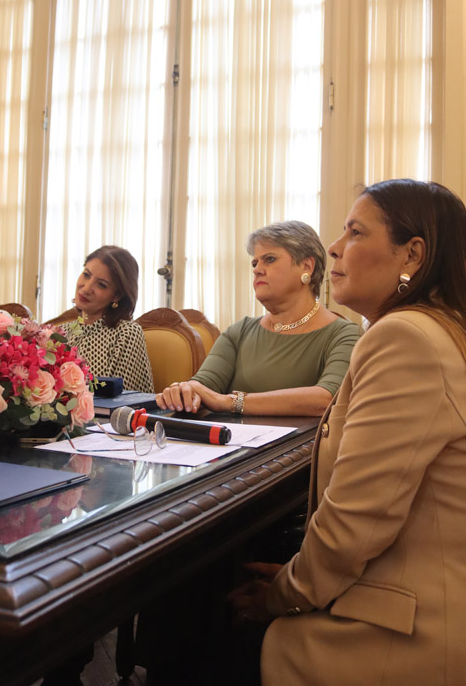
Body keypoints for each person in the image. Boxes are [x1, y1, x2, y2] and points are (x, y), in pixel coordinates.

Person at [228, 179, 466, 686]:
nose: (334, 247)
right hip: (419, 585)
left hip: (414, 627)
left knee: (225, 626)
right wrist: (299, 572)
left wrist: (282, 595)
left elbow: (355, 522)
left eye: (355, 232)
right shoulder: (439, 329)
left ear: (413, 255)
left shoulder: (405, 338)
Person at [156, 220, 360, 417]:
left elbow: (327, 398)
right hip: (235, 448)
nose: (256, 269)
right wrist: (185, 390)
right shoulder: (240, 331)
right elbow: (204, 384)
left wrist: (230, 402)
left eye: (269, 259)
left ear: (306, 266)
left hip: (300, 451)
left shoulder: (344, 334)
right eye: (255, 262)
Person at [63, 245, 153, 391]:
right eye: (86, 275)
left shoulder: (126, 333)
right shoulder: (60, 333)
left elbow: (122, 403)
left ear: (116, 295)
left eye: (101, 285)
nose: (86, 289)